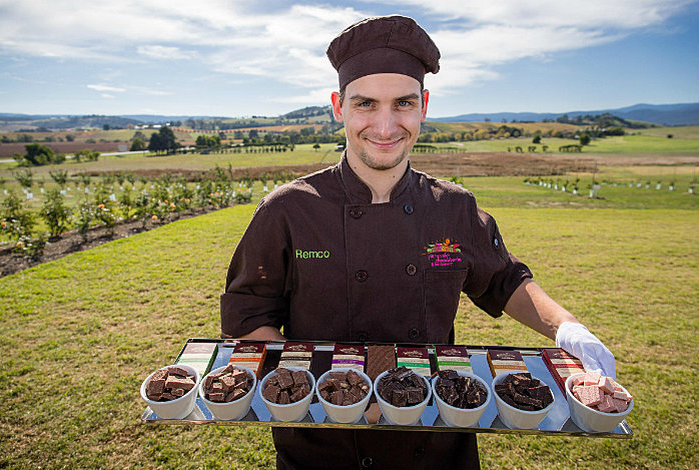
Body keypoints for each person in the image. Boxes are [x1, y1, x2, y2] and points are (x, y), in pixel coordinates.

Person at [221, 15, 616, 470]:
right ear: (338, 106)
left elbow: (503, 280)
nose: (386, 126)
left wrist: (568, 329)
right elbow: (249, 310)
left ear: (423, 106)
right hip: (322, 439)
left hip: (436, 432)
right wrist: (316, 392)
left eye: (403, 103)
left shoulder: (453, 208)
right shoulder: (288, 209)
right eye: (366, 103)